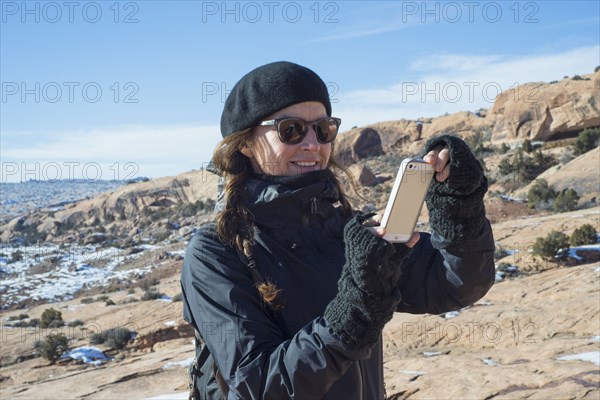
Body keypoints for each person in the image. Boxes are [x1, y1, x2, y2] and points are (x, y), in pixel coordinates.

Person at [180, 61, 495, 400]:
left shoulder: (346, 230)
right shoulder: (216, 251)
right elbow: (258, 386)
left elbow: (456, 284)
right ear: (244, 143)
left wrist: (459, 207)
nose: (313, 144)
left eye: (324, 129)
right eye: (291, 130)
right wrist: (354, 310)